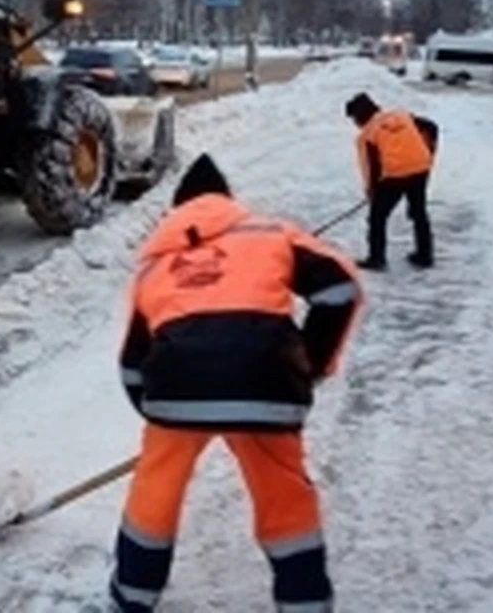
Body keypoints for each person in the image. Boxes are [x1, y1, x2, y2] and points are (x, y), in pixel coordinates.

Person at [110, 154, 364, 613]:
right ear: (227, 200)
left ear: (177, 209)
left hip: (175, 394)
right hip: (265, 386)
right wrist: (308, 365)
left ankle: (131, 598)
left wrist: (159, 416)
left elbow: (132, 362)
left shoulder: (154, 264)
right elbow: (340, 290)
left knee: (155, 489)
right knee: (283, 493)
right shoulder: (270, 234)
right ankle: (304, 601)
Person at [345, 93, 436, 271]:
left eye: (354, 119)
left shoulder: (367, 135)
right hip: (421, 167)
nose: (355, 124)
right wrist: (429, 151)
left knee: (377, 217)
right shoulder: (402, 115)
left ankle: (376, 259)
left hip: (395, 175)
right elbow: (431, 127)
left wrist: (372, 191)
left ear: (359, 115)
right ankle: (425, 256)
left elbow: (370, 168)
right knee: (419, 213)